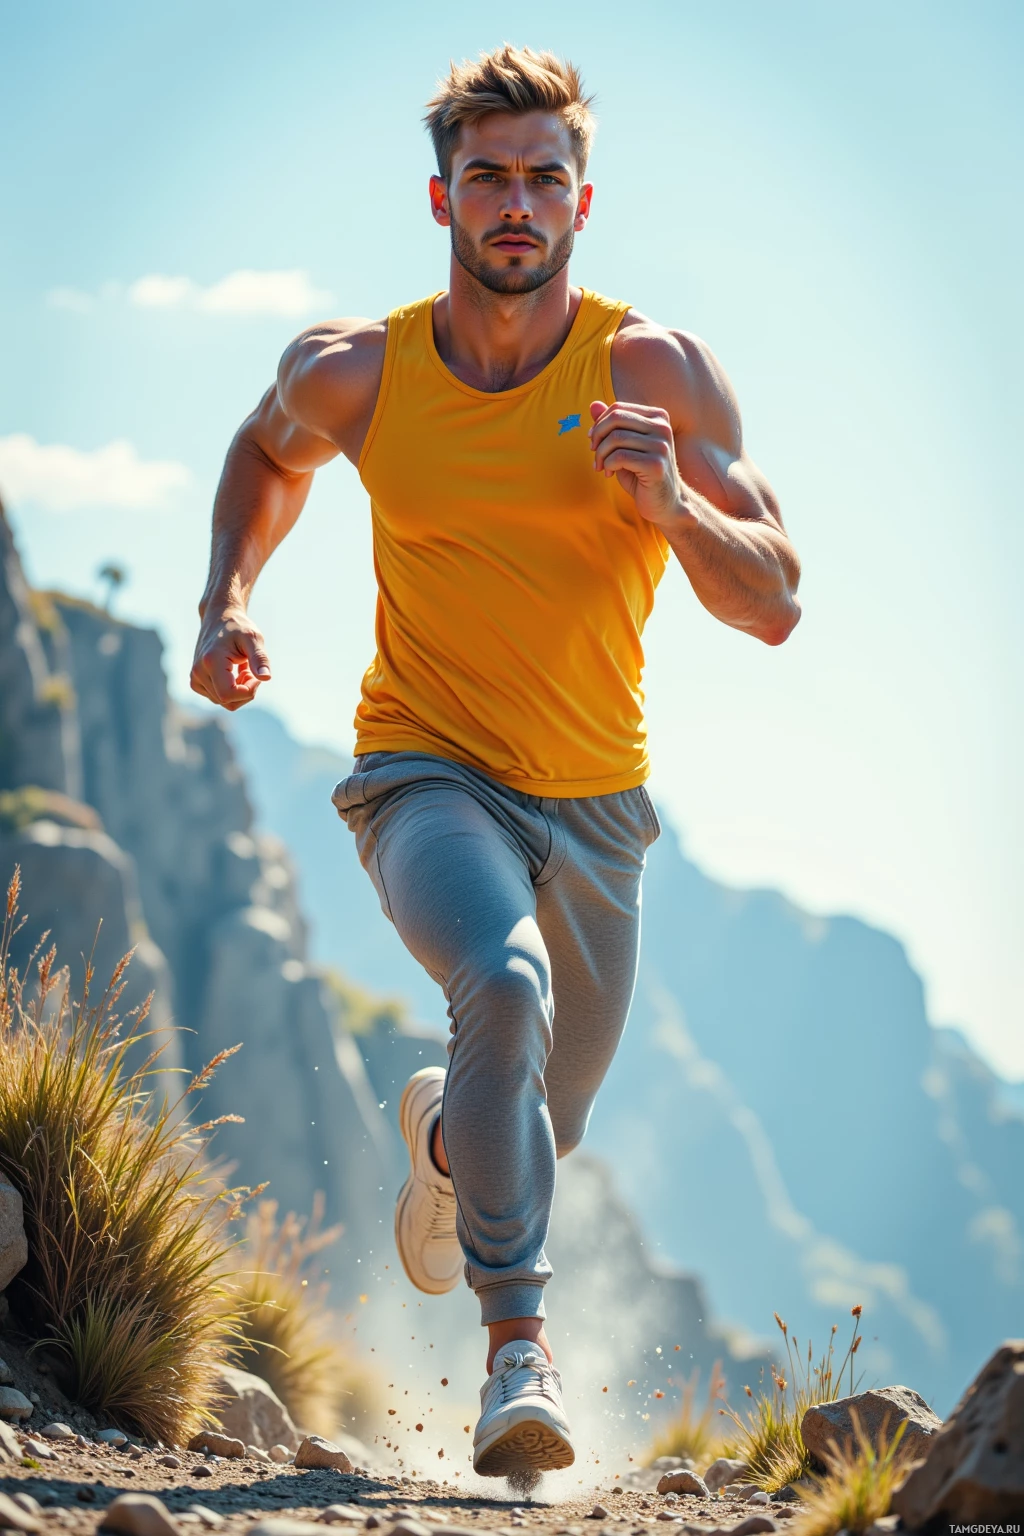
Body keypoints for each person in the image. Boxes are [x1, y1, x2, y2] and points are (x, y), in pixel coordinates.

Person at [190, 43, 801, 1479]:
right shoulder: (361, 371)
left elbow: (773, 598)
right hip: (428, 772)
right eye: (487, 178)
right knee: (500, 979)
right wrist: (226, 601)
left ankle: (453, 1141)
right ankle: (518, 1354)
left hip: (598, 812)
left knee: (543, 1114)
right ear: (441, 197)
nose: (514, 203)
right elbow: (265, 457)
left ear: (584, 199)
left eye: (542, 177)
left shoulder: (653, 373)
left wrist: (672, 512)